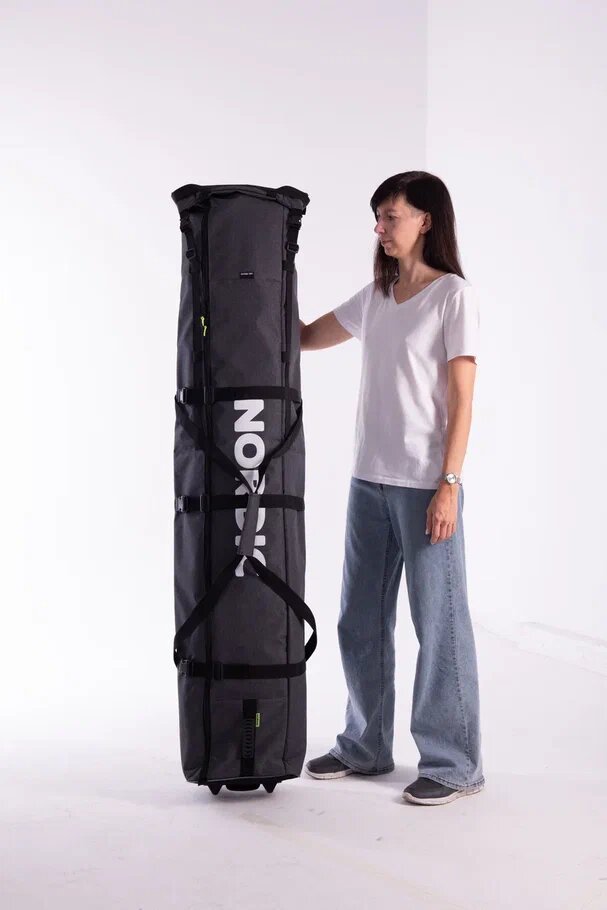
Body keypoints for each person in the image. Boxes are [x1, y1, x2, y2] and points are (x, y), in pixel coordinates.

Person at [300, 171, 485, 806]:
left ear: (425, 220)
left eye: (390, 216)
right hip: (368, 482)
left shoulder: (452, 296)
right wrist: (266, 283)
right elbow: (306, 336)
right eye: (377, 218)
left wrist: (449, 484)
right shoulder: (377, 295)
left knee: (440, 624)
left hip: (424, 484)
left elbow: (462, 398)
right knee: (359, 618)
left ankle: (454, 764)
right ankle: (365, 745)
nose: (379, 228)